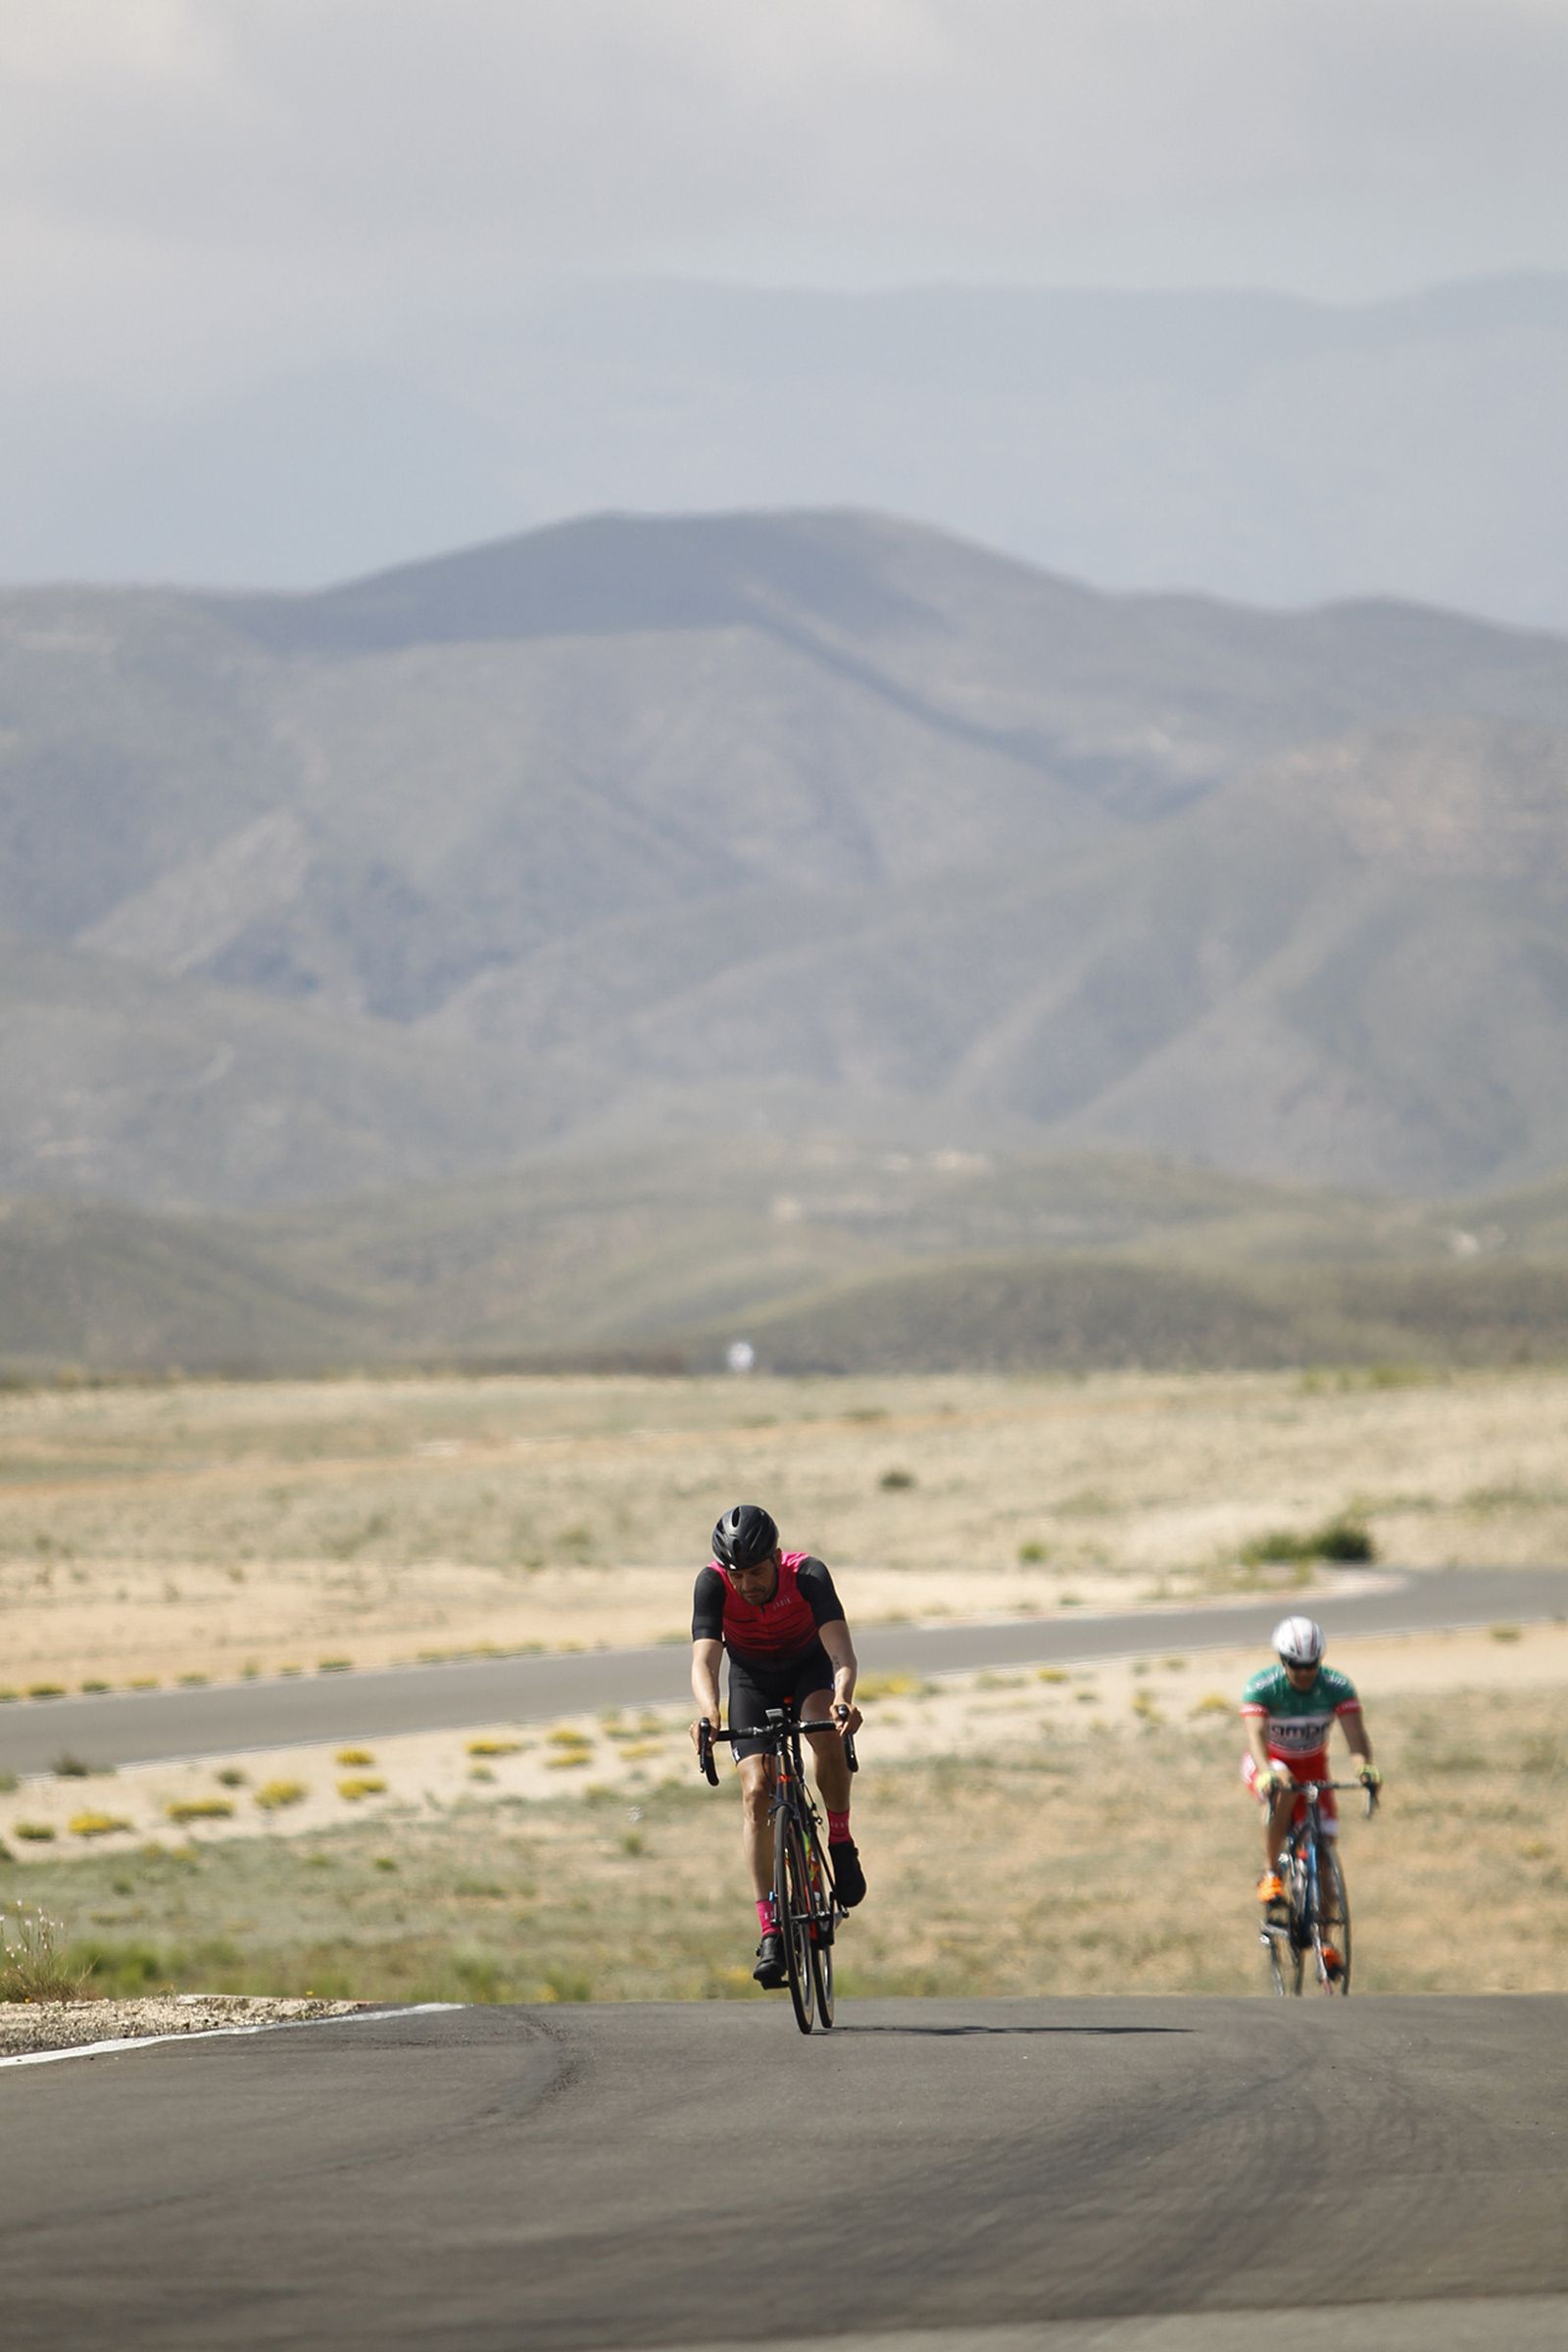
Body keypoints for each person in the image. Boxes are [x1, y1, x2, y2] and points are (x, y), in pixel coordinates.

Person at [690, 1502, 865, 1989]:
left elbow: (841, 1652)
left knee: (823, 1732)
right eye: (738, 1575)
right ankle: (770, 1928)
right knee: (755, 1791)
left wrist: (844, 1699)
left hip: (808, 1669)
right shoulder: (711, 1584)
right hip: (752, 1680)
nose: (747, 1584)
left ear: (776, 1557)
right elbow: (705, 1661)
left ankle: (840, 1839)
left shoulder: (807, 1575)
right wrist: (709, 1714)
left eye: (757, 1572)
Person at [1242, 1615, 1381, 1930]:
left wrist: (1364, 1768)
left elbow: (1356, 1737)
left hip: (1313, 1767)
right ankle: (1270, 1874)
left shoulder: (1336, 1686)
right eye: (1296, 1665)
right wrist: (1266, 1772)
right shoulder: (1263, 1687)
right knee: (1284, 1785)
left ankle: (1324, 1943)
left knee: (1325, 1856)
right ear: (1282, 1660)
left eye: (1311, 1665)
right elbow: (1256, 1737)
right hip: (1268, 1761)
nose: (1305, 1673)